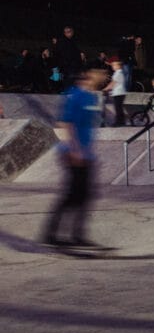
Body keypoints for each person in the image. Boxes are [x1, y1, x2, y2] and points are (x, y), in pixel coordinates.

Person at [42, 68, 110, 248]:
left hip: (85, 152)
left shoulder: (92, 96)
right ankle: (50, 235)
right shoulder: (75, 95)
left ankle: (77, 235)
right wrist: (75, 150)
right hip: (72, 151)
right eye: (101, 73)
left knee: (85, 195)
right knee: (72, 195)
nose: (104, 76)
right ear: (89, 74)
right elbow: (65, 123)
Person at [107, 57, 129, 127]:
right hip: (118, 92)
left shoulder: (118, 73)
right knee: (119, 108)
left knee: (118, 108)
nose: (112, 66)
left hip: (119, 93)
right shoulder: (118, 73)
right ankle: (121, 122)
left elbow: (113, 83)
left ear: (118, 66)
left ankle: (119, 122)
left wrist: (105, 89)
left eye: (114, 65)